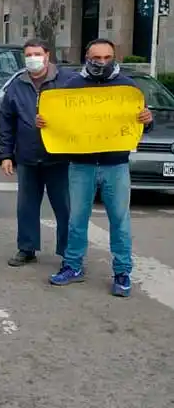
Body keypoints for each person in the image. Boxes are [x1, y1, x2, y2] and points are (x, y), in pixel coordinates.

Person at [49, 39, 153, 297]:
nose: (102, 62)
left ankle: (122, 272)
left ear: (114, 58)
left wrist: (147, 120)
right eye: (97, 58)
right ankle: (73, 266)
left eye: (107, 57)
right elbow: (60, 121)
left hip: (115, 165)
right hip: (80, 165)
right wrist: (45, 121)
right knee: (76, 220)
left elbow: (140, 125)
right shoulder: (72, 86)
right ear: (87, 57)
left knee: (120, 221)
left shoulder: (127, 88)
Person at [0, 38, 75, 266]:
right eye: (29, 55)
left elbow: (80, 115)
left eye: (37, 54)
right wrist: (6, 155)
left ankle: (69, 253)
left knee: (65, 208)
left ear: (47, 55)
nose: (33, 58)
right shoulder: (17, 85)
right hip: (28, 157)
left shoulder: (67, 81)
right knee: (26, 206)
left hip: (59, 158)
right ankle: (27, 247)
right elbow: (6, 122)